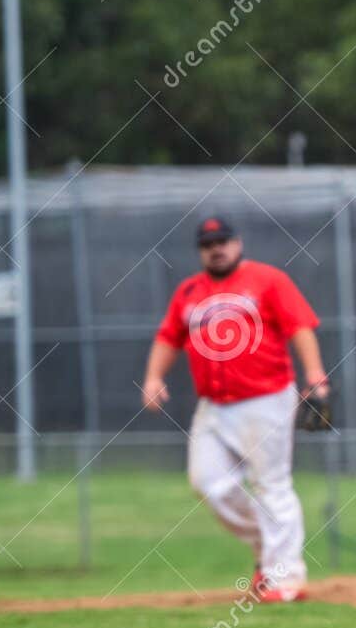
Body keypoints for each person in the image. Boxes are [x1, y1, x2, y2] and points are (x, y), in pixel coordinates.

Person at [140, 216, 329, 603]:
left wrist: (315, 376)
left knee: (271, 485)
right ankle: (267, 544)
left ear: (238, 243)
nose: (217, 248)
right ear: (200, 250)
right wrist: (154, 377)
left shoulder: (268, 280)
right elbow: (168, 336)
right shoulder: (189, 291)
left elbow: (300, 327)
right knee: (207, 483)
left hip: (266, 398)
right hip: (213, 406)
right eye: (209, 243)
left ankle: (287, 578)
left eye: (223, 240)